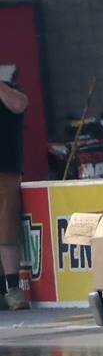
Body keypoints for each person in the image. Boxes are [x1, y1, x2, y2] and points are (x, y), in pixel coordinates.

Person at [0, 69, 30, 310]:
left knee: (6, 233)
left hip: (6, 170)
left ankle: (12, 289)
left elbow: (19, 105)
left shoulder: (13, 92)